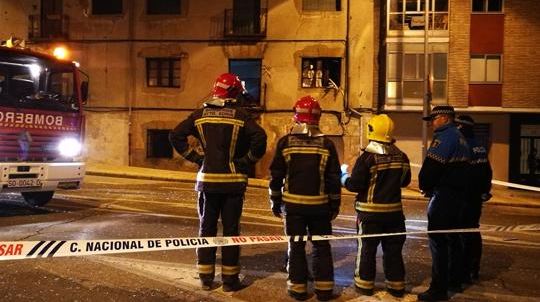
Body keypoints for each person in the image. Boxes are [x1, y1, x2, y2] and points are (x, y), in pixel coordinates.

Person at [169, 73, 266, 292]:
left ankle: (206, 277)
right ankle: (230, 281)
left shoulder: (199, 115)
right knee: (231, 231)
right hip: (232, 183)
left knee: (206, 229)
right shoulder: (241, 116)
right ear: (234, 93)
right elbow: (260, 138)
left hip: (207, 182)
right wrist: (246, 162)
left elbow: (176, 135)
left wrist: (196, 158)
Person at [269, 96, 341, 301]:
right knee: (321, 246)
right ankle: (325, 290)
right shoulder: (327, 144)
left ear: (296, 116)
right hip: (319, 207)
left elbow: (276, 176)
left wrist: (275, 202)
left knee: (296, 246)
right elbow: (333, 178)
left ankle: (298, 289)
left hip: (293, 208)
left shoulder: (285, 142)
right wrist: (334, 204)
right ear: (319, 118)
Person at [340, 114, 411, 298]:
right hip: (395, 215)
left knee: (367, 250)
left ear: (371, 131)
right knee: (393, 251)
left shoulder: (367, 158)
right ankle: (396, 286)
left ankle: (364, 285)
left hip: (370, 215)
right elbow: (405, 181)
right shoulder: (402, 156)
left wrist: (343, 177)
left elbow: (354, 185)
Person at [418, 106, 471, 301]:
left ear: (444, 119)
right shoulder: (460, 137)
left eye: (434, 119)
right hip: (457, 197)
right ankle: (454, 280)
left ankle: (438, 289)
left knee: (438, 242)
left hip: (444, 197)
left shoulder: (445, 137)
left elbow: (432, 167)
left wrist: (425, 184)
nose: (432, 123)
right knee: (453, 240)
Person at [455, 115, 492, 282]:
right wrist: (485, 190)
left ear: (462, 127)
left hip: (464, 197)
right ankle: (473, 269)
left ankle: (462, 271)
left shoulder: (463, 146)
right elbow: (487, 171)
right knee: (473, 231)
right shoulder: (480, 147)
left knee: (461, 234)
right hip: (476, 197)